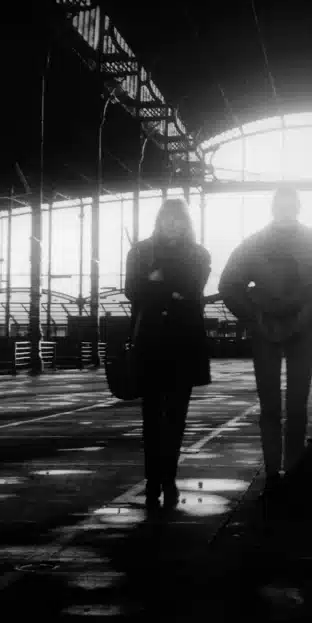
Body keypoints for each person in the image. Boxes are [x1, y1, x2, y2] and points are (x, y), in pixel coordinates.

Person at [219, 187, 312, 496]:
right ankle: (281, 469)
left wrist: (256, 314)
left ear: (296, 208)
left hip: (282, 326)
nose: (286, 210)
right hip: (290, 325)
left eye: (290, 205)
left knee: (289, 404)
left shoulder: (255, 244)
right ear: (277, 208)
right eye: (283, 205)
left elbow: (230, 285)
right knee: (279, 404)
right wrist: (309, 308)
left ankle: (283, 469)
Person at [124, 198, 212, 511]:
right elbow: (131, 290)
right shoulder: (141, 252)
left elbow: (191, 288)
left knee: (175, 416)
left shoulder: (198, 254)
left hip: (181, 342)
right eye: (167, 219)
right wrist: (171, 289)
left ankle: (167, 476)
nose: (172, 224)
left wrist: (156, 282)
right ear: (159, 221)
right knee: (152, 416)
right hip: (154, 340)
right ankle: (154, 478)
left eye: (178, 220)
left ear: (186, 223)